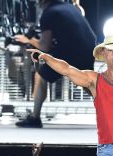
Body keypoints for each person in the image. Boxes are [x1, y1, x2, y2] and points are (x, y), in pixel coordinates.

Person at [15, 0, 96, 128]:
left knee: (41, 75)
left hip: (72, 50)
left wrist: (28, 40)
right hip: (88, 47)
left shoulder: (49, 13)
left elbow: (44, 47)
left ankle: (34, 118)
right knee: (86, 82)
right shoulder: (68, 7)